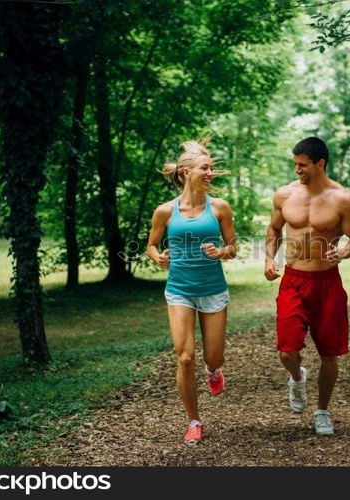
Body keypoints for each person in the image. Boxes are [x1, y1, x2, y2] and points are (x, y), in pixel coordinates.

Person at [264, 137, 350, 435]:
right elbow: (274, 228)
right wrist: (269, 257)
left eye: (303, 165)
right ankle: (297, 378)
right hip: (294, 281)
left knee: (329, 354)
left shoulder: (343, 199)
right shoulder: (284, 195)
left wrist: (345, 251)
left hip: (327, 283)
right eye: (295, 164)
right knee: (286, 351)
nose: (297, 170)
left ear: (320, 164)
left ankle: (322, 411)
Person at [147, 138, 236, 445]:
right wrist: (158, 257)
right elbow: (151, 245)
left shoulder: (220, 208)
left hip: (212, 290)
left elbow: (233, 248)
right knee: (185, 358)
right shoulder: (165, 211)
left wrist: (219, 253)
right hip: (179, 290)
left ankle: (214, 371)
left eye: (211, 168)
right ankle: (194, 421)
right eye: (205, 168)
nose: (210, 173)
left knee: (214, 357)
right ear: (186, 173)